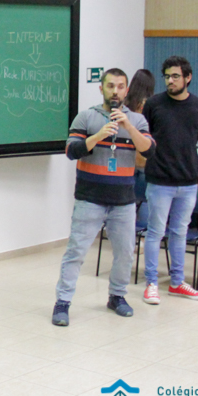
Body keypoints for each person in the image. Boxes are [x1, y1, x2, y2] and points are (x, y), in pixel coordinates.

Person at [51, 68, 154, 327]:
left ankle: (117, 296)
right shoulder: (87, 116)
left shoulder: (137, 120)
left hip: (123, 201)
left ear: (126, 90)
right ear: (101, 89)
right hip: (90, 198)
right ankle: (63, 302)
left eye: (120, 86)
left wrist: (127, 126)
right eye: (110, 86)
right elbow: (71, 151)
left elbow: (148, 150)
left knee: (125, 253)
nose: (115, 91)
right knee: (76, 251)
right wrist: (98, 136)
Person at [142, 56, 198, 304]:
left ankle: (177, 282)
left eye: (175, 76)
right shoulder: (154, 104)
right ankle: (151, 284)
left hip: (188, 180)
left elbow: (195, 136)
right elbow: (145, 137)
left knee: (180, 232)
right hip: (160, 180)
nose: (170, 81)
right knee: (155, 232)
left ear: (188, 78)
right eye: (167, 76)